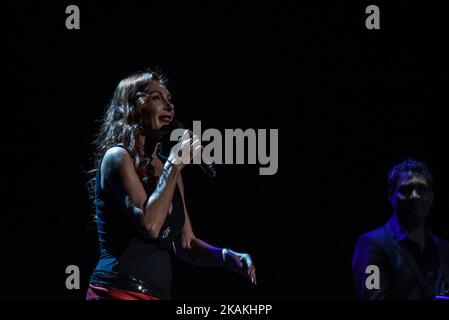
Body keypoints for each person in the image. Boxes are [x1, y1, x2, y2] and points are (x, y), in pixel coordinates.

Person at [86, 70, 256, 300]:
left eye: (170, 99)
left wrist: (225, 256)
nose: (169, 105)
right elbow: (150, 226)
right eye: (157, 97)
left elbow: (186, 244)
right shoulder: (118, 158)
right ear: (132, 108)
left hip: (158, 295)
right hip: (117, 290)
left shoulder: (168, 167)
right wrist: (174, 166)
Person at [352, 158, 449, 300]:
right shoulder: (371, 244)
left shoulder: (444, 248)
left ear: (431, 197)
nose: (415, 196)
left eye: (421, 189)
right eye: (406, 189)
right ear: (391, 197)